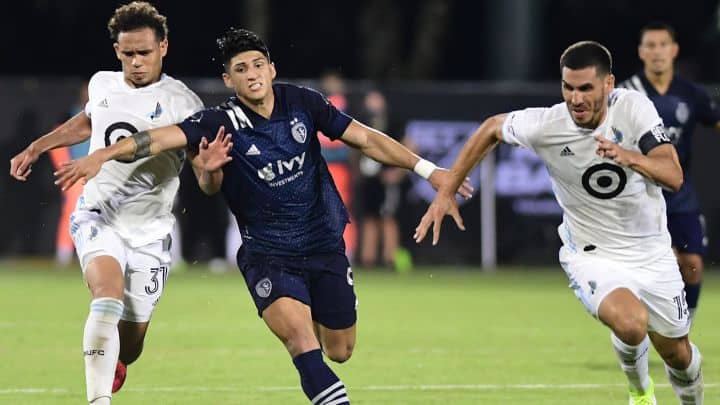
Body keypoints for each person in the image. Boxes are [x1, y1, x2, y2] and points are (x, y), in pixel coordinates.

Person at [53, 28, 472, 404]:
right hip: (268, 256)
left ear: (271, 69)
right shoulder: (218, 123)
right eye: (240, 68)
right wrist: (107, 155)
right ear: (228, 81)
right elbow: (160, 141)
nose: (251, 73)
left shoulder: (303, 102)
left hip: (323, 244)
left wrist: (428, 169)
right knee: (302, 345)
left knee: (340, 350)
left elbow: (364, 138)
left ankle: (328, 302)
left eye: (257, 64)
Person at [414, 41, 703, 404]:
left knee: (680, 356)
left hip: (651, 252)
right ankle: (641, 393)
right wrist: (446, 190)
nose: (576, 98)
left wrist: (628, 157)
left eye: (586, 88)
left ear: (608, 85)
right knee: (630, 324)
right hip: (592, 253)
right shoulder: (547, 124)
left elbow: (673, 174)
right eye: (568, 87)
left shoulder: (633, 109)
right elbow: (491, 128)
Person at [9, 2, 204, 403]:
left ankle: (115, 357)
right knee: (107, 294)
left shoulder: (183, 102)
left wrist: (213, 171)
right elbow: (87, 121)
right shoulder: (102, 83)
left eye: (144, 53)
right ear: (117, 50)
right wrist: (38, 146)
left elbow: (204, 170)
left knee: (131, 344)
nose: (136, 62)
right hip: (99, 214)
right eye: (128, 53)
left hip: (150, 232)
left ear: (164, 47)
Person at [619, 22, 720, 321]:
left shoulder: (692, 94)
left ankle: (683, 326)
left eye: (663, 44)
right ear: (641, 52)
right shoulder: (626, 94)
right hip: (637, 192)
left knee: (691, 263)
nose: (657, 51)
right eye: (650, 45)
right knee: (642, 268)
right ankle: (638, 326)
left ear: (674, 50)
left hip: (678, 192)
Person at [355, 89, 406, 268]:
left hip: (386, 179)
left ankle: (389, 259)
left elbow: (409, 145)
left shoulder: (393, 123)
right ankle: (368, 259)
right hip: (369, 180)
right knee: (369, 218)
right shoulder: (361, 123)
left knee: (388, 217)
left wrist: (398, 173)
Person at [48, 83, 91, 266]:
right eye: (85, 92)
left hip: (99, 171)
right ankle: (63, 254)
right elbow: (55, 141)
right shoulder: (69, 115)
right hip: (75, 173)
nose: (88, 95)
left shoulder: (103, 113)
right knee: (72, 212)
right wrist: (65, 169)